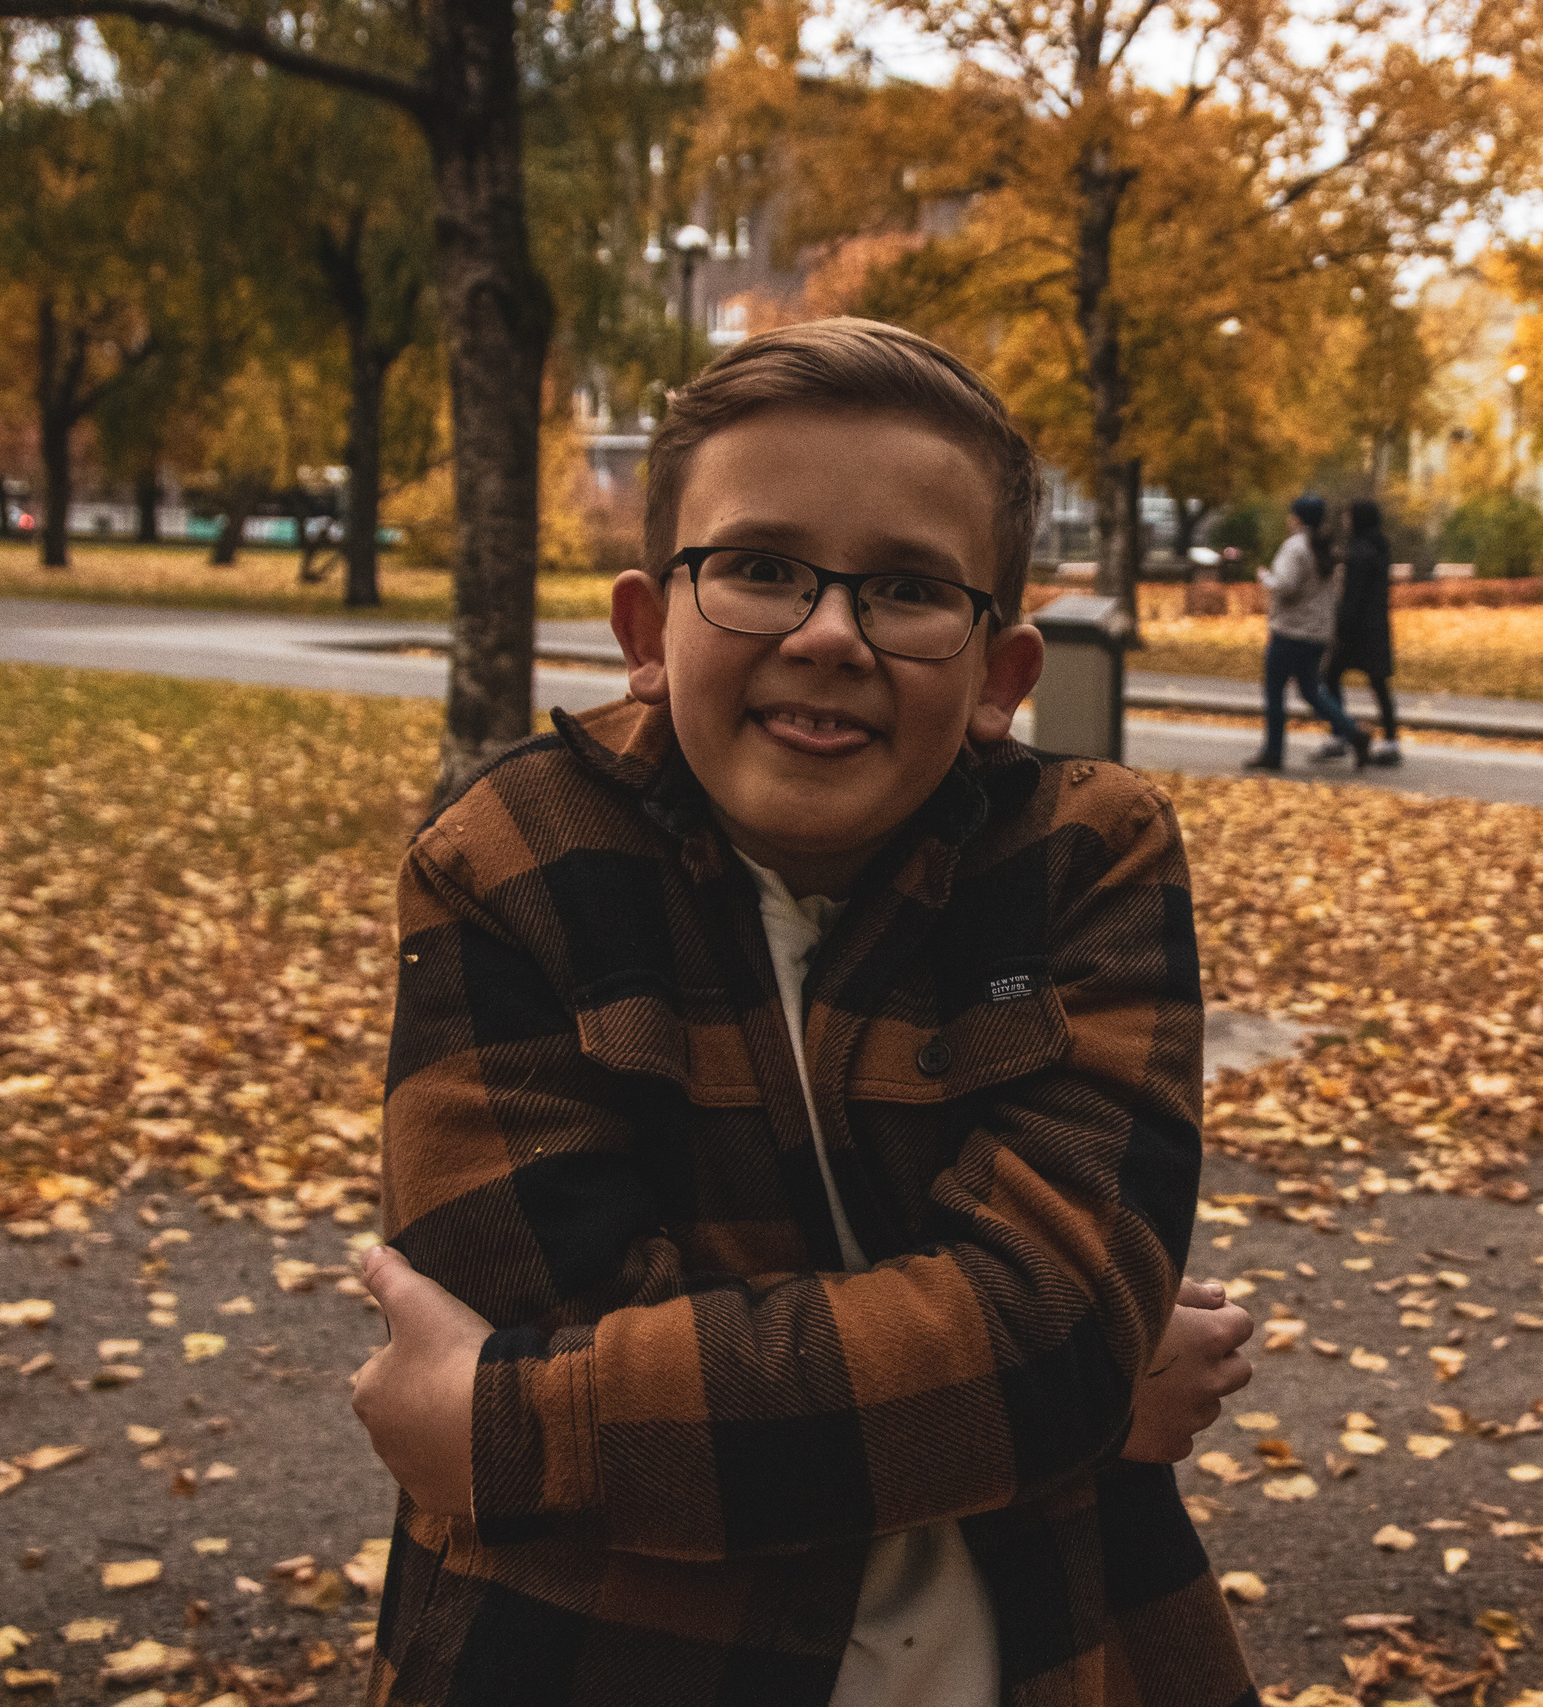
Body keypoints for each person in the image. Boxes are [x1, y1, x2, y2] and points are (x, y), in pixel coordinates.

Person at [347, 318, 1257, 1707]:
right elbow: (543, 1296)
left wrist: (516, 1425)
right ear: (649, 632)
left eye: (904, 588)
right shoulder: (507, 863)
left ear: (1001, 678)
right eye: (762, 568)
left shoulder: (1085, 857)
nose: (829, 633)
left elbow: (1055, 1329)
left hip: (1034, 1653)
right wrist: (1053, 1406)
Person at [1246, 492, 1367, 771]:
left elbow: (1286, 585)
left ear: (1297, 518)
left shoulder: (1296, 547)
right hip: (1317, 633)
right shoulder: (1324, 547)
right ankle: (1354, 733)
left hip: (1289, 631)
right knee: (1312, 691)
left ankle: (1273, 751)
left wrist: (1266, 578)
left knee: (1275, 692)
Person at [1312, 497, 1400, 767]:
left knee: (1330, 676)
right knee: (1378, 683)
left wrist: (1340, 627)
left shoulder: (1358, 552)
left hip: (1356, 630)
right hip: (1377, 627)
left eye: (1348, 516)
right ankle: (1390, 740)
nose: (1344, 521)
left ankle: (1340, 734)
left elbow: (1353, 597)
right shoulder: (1379, 547)